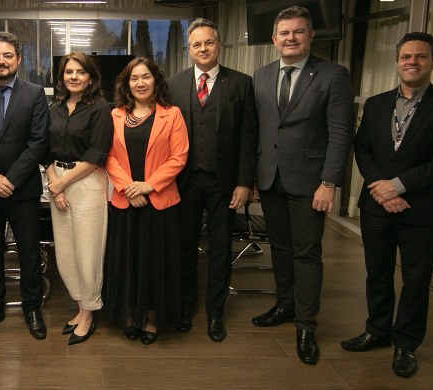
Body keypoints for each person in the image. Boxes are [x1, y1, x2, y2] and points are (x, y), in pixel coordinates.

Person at [344, 32, 433, 378]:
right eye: (405, 56)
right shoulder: (376, 104)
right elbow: (363, 149)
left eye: (420, 56)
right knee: (378, 273)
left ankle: (405, 344)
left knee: (416, 279)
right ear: (397, 61)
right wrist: (381, 189)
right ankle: (377, 331)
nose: (412, 62)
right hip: (375, 207)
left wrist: (397, 186)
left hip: (421, 209)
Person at [251, 5, 354, 365]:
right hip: (270, 178)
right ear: (274, 38)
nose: (291, 38)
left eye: (298, 32)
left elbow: (341, 134)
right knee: (278, 247)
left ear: (311, 36)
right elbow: (258, 130)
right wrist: (251, 179)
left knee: (306, 253)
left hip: (311, 182)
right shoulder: (260, 76)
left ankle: (307, 326)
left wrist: (329, 182)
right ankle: (285, 305)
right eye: (284, 33)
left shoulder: (332, 75)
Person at [167, 18, 258, 342]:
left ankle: (216, 313)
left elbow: (249, 138)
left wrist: (245, 183)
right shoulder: (174, 85)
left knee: (221, 250)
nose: (203, 48)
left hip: (225, 184)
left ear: (219, 46)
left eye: (208, 43)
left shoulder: (241, 84)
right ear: (188, 49)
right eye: (196, 44)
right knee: (183, 248)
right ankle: (184, 308)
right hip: (184, 182)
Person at [0, 31, 50, 340]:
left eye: (7, 56)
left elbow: (38, 142)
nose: (1, 62)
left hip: (23, 191)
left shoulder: (35, 93)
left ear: (19, 59)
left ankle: (32, 307)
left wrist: (10, 179)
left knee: (29, 252)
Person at [103, 57, 189, 345]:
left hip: (159, 201)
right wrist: (130, 188)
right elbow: (108, 156)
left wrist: (148, 186)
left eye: (146, 77)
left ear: (156, 81)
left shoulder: (172, 114)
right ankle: (129, 315)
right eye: (134, 78)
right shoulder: (114, 115)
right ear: (126, 84)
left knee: (155, 263)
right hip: (125, 202)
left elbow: (179, 157)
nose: (140, 83)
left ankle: (152, 318)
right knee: (127, 262)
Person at [44, 52, 113, 345]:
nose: (74, 77)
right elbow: (44, 150)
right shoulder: (54, 108)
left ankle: (88, 312)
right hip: (56, 180)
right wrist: (53, 184)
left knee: (88, 253)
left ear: (90, 77)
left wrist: (61, 185)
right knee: (66, 254)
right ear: (62, 77)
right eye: (68, 72)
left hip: (85, 183)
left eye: (80, 72)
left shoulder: (100, 109)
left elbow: (97, 154)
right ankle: (79, 303)